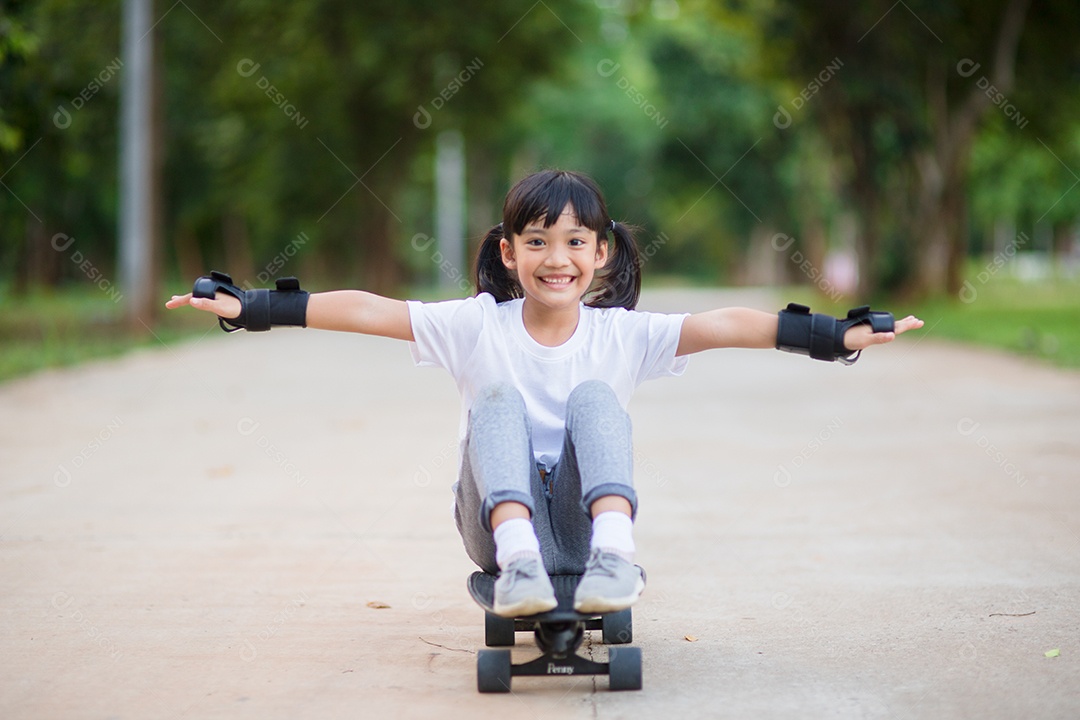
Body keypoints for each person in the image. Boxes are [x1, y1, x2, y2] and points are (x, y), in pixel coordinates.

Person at [165, 169, 923, 618]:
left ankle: (617, 556)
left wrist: (835, 335)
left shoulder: (623, 336)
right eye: (536, 242)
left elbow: (726, 325)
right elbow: (368, 309)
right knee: (496, 403)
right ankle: (522, 563)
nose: (555, 259)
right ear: (508, 252)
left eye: (573, 243)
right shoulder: (475, 326)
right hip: (495, 532)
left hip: (587, 528)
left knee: (596, 400)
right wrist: (251, 307)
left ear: (602, 253)